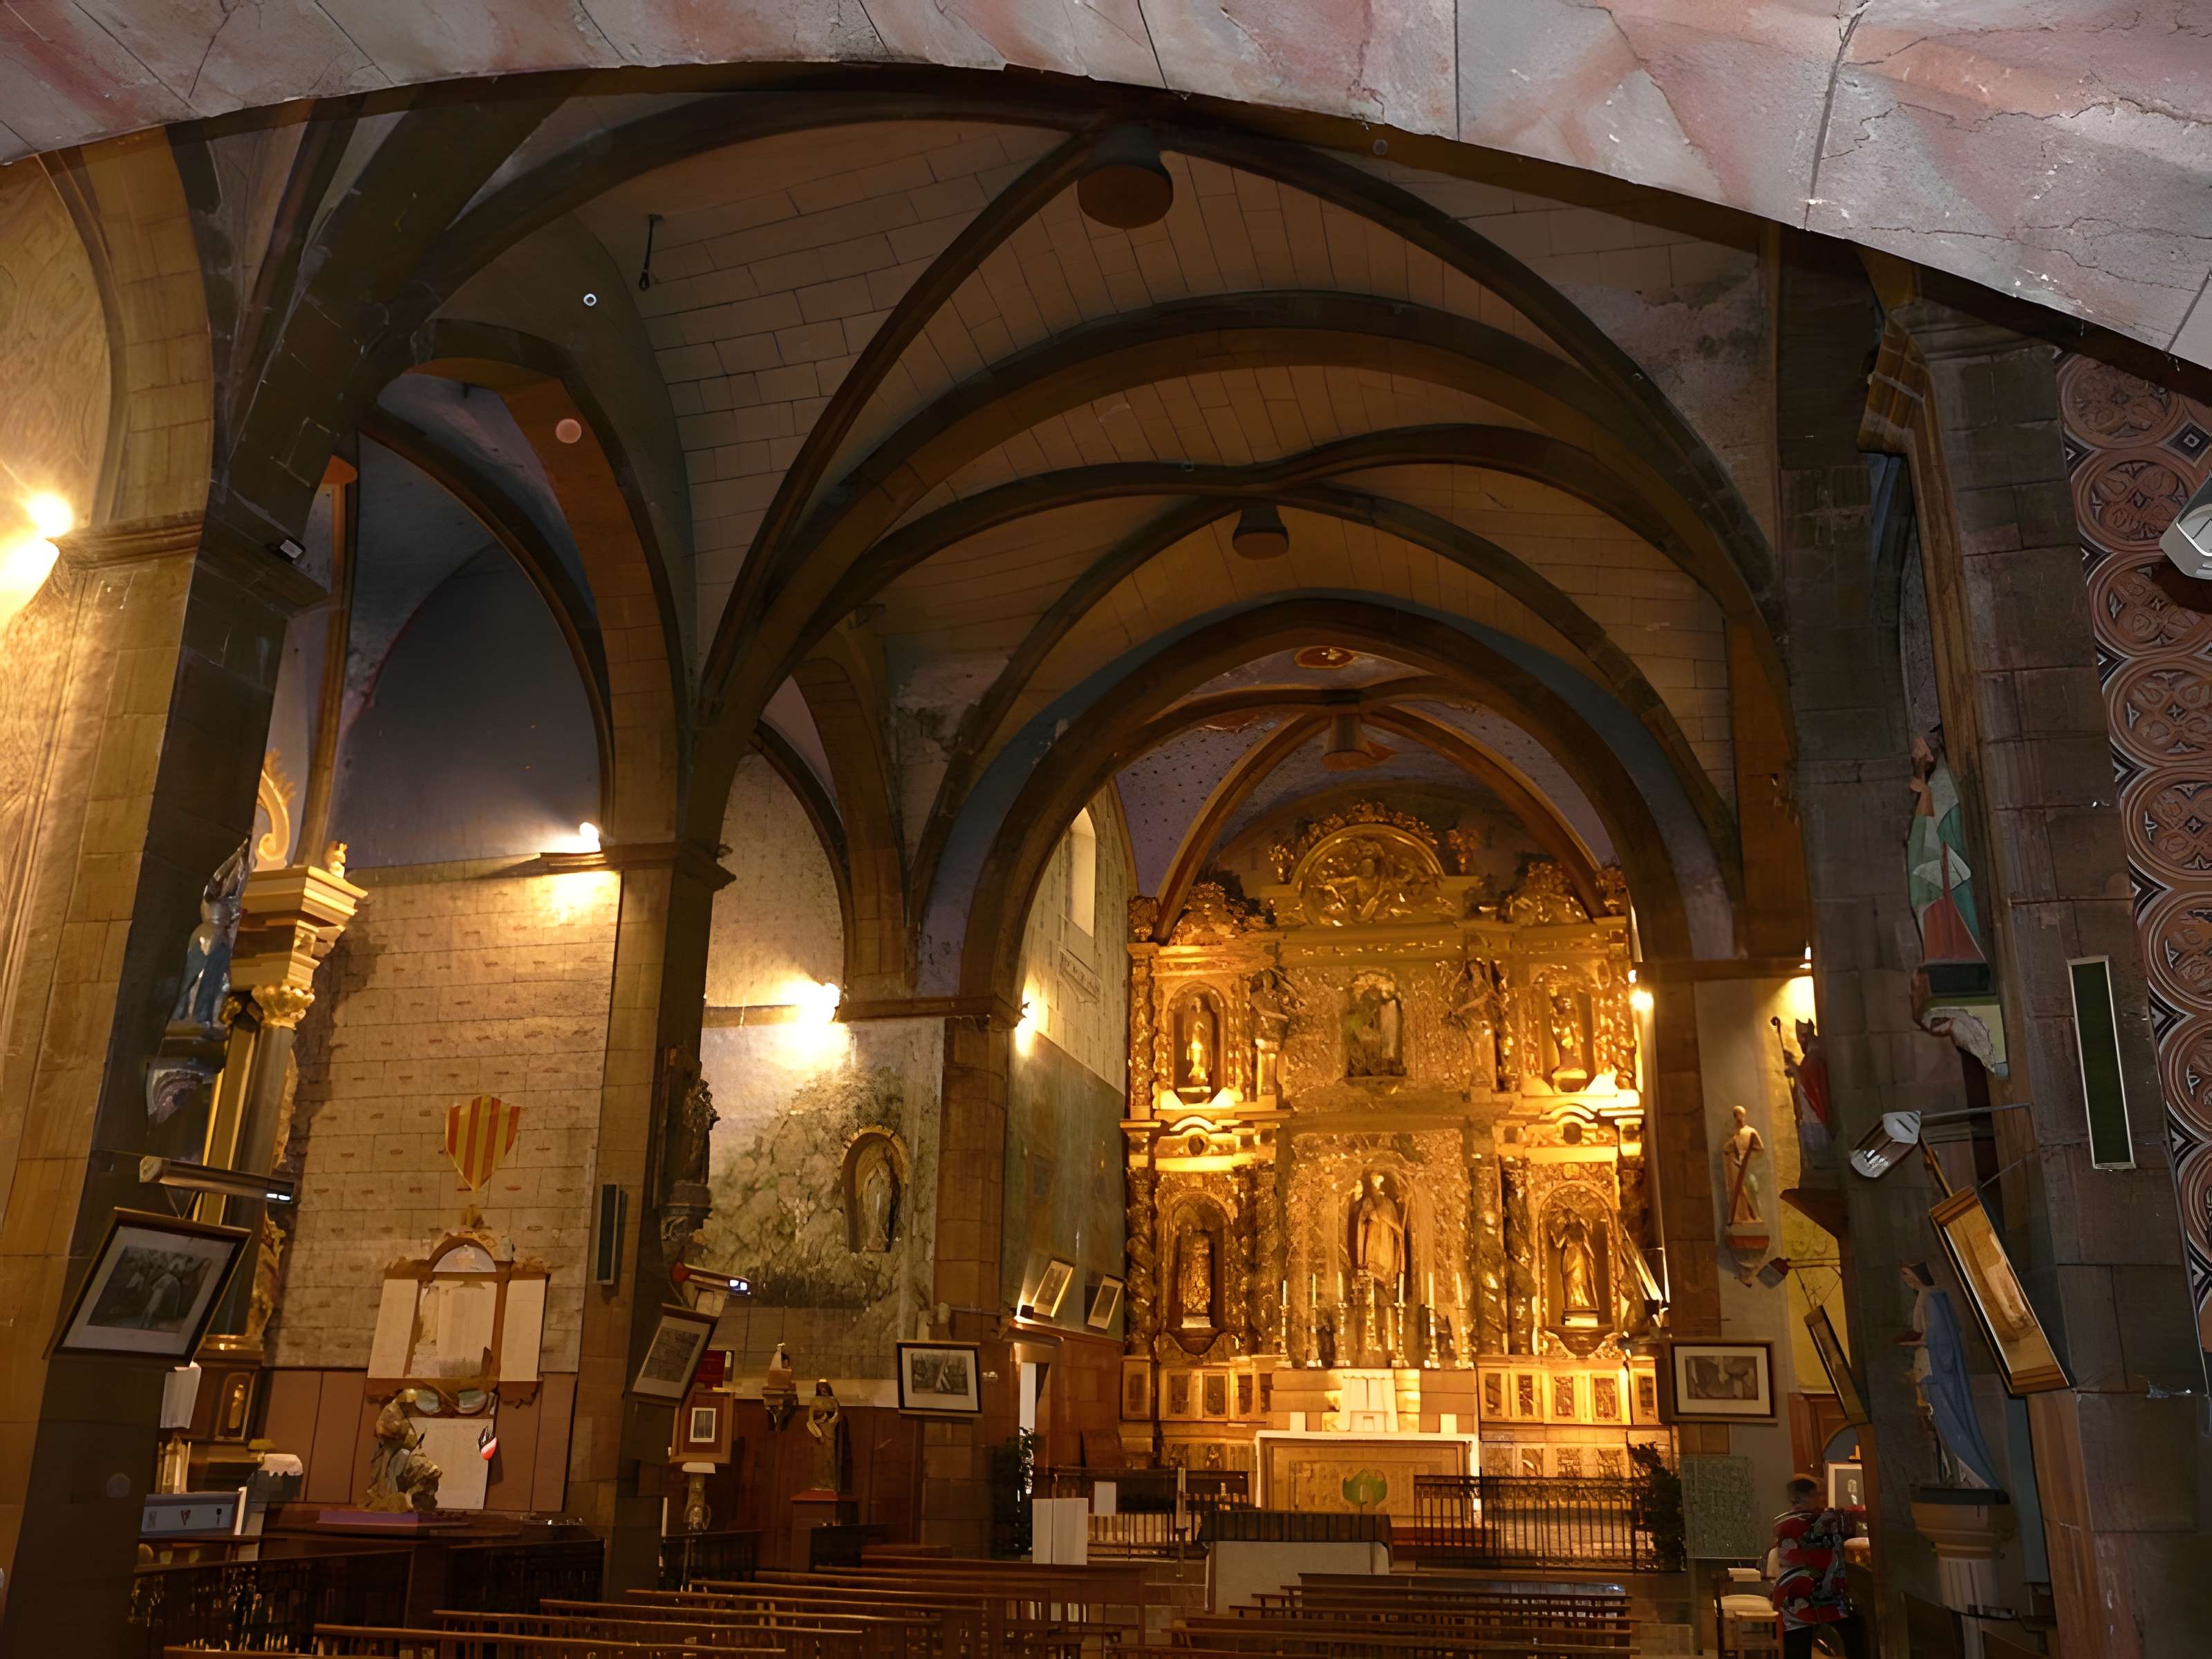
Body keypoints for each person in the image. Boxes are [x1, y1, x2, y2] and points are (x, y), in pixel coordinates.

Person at [1772, 1473, 1864, 1658]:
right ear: (1809, 1496)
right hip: (1821, 1597)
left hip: (1791, 1599)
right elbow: (1861, 1514)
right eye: (1819, 1494)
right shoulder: (1825, 1520)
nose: (1823, 1498)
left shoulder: (1782, 1522)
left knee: (1796, 1650)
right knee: (1857, 1631)